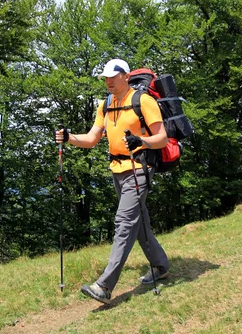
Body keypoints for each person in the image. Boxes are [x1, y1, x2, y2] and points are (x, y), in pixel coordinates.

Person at [55, 58, 170, 304]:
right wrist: (68, 138)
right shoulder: (105, 104)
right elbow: (92, 138)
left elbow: (162, 137)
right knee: (139, 224)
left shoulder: (143, 101)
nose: (108, 81)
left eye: (112, 76)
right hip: (117, 169)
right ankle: (161, 266)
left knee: (124, 222)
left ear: (125, 76)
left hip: (139, 168)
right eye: (105, 77)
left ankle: (105, 286)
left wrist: (142, 141)